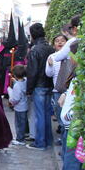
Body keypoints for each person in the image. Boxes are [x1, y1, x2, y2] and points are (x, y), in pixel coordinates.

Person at [25, 23, 54, 151]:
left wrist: (29, 89)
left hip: (39, 85)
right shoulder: (50, 48)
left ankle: (40, 142)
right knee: (46, 114)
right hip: (48, 84)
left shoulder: (35, 50)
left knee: (40, 115)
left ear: (32, 35)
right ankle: (47, 140)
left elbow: (32, 72)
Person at [45, 34, 68, 146]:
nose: (59, 43)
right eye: (57, 41)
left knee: (66, 118)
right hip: (57, 91)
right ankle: (63, 140)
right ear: (54, 44)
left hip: (68, 91)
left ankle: (64, 141)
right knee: (60, 117)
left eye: (62, 41)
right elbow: (49, 74)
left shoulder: (70, 56)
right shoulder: (52, 56)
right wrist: (50, 65)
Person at [8, 65, 28, 145]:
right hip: (25, 105)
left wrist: (10, 95)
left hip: (19, 107)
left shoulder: (16, 86)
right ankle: (23, 135)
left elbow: (15, 99)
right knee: (23, 122)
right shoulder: (25, 81)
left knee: (19, 124)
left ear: (15, 75)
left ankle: (20, 139)